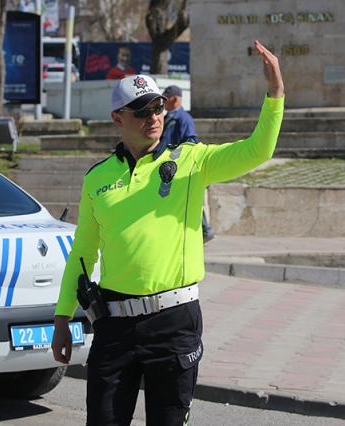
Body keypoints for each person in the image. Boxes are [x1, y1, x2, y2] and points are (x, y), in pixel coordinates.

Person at [52, 40, 284, 426]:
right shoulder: (97, 178)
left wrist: (275, 93)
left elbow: (257, 150)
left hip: (174, 322)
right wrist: (62, 319)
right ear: (117, 118)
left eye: (158, 106)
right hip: (113, 323)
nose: (153, 117)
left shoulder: (192, 161)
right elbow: (83, 253)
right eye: (141, 111)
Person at [161, 84, 215, 244]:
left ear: (175, 99)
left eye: (166, 98)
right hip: (168, 166)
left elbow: (190, 141)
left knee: (190, 199)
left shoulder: (183, 119)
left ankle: (206, 230)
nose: (163, 102)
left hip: (179, 165)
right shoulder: (167, 117)